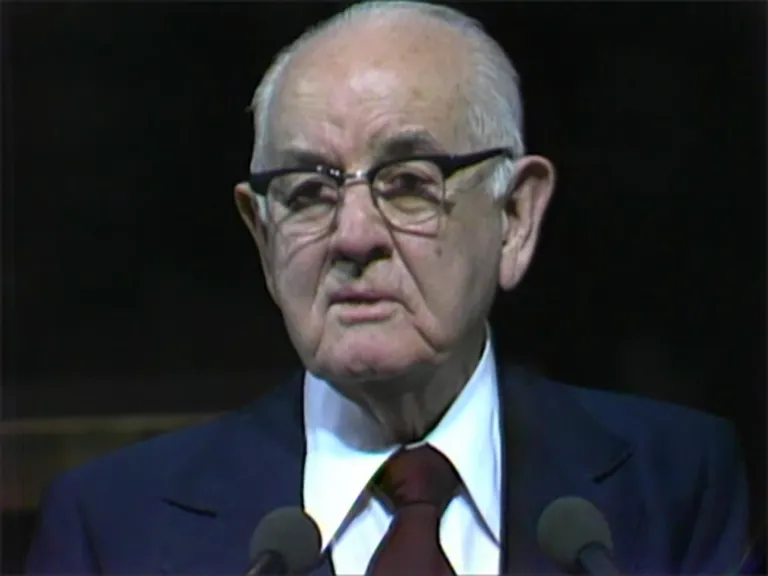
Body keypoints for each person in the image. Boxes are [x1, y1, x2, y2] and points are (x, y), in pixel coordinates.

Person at [27, 2, 750, 574]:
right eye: (308, 192)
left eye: (408, 183)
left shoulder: (673, 482)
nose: (354, 237)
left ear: (515, 217)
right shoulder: (112, 528)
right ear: (263, 235)